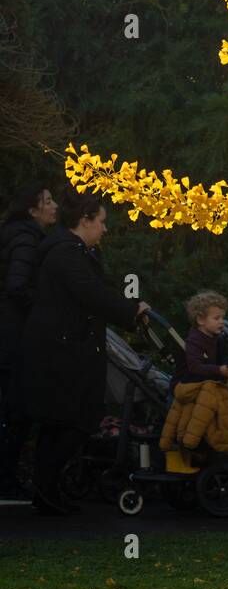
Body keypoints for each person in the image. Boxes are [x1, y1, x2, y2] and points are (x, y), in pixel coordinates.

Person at [17, 190, 148, 515]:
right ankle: (46, 488)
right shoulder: (66, 255)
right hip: (63, 352)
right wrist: (131, 311)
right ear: (85, 221)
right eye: (101, 222)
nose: (104, 229)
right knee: (75, 419)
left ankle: (46, 489)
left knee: (61, 422)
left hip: (64, 349)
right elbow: (92, 294)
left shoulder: (71, 252)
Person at [0, 183, 58, 502]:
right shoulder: (26, 239)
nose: (55, 206)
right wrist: (48, 307)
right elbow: (17, 287)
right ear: (33, 210)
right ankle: (6, 480)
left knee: (13, 409)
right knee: (16, 410)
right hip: (14, 337)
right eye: (47, 201)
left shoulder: (21, 235)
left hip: (10, 334)